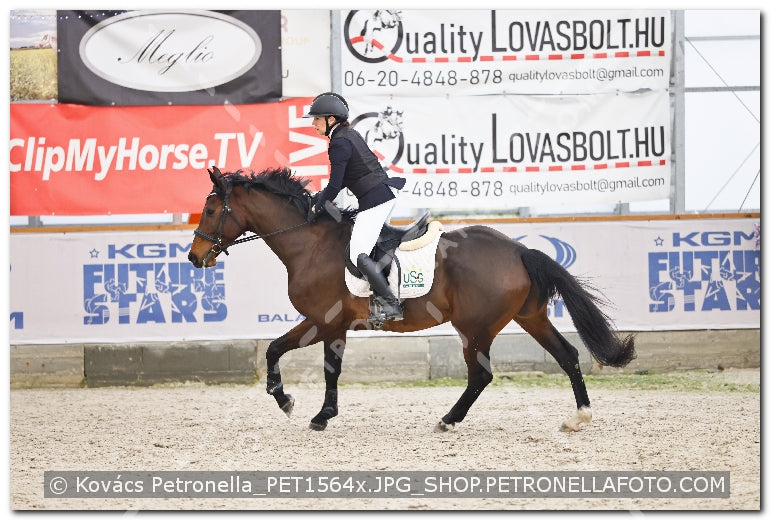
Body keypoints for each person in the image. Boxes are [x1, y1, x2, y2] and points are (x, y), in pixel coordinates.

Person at [304, 92, 406, 322]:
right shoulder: (347, 134)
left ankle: (391, 305)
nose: (313, 123)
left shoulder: (339, 142)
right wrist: (317, 198)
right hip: (380, 194)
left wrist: (315, 208)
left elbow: (335, 185)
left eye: (317, 119)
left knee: (358, 254)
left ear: (331, 119)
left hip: (376, 199)